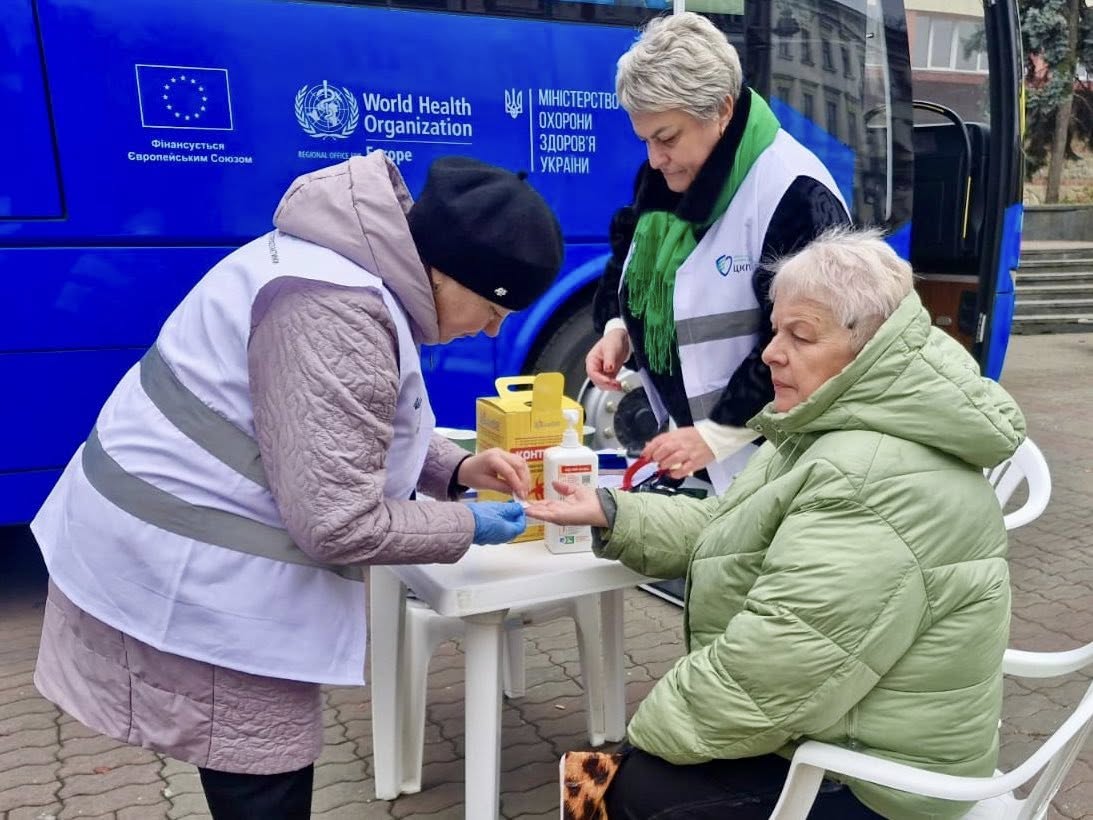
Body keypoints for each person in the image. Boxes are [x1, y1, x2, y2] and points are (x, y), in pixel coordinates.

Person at [30, 151, 562, 818]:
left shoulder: (349, 266)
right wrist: (467, 525)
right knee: (262, 777)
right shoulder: (336, 310)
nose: (491, 328)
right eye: (492, 306)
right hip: (190, 566)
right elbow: (338, 522)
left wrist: (452, 468)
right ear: (445, 271)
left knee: (254, 767)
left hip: (178, 542)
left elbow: (337, 420)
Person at [533, 227, 1026, 819]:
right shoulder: (834, 428)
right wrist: (613, 512)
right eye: (775, 330)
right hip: (841, 729)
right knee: (625, 779)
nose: (770, 352)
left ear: (871, 347)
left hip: (883, 782)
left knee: (628, 793)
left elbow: (780, 665)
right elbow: (732, 528)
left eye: (801, 335)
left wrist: (643, 737)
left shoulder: (870, 475)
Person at [588, 12, 851, 493]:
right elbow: (627, 262)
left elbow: (814, 346)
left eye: (667, 138)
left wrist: (718, 433)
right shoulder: (671, 173)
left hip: (772, 466)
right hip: (702, 460)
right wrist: (618, 328)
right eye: (645, 140)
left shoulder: (793, 192)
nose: (655, 159)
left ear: (722, 110)